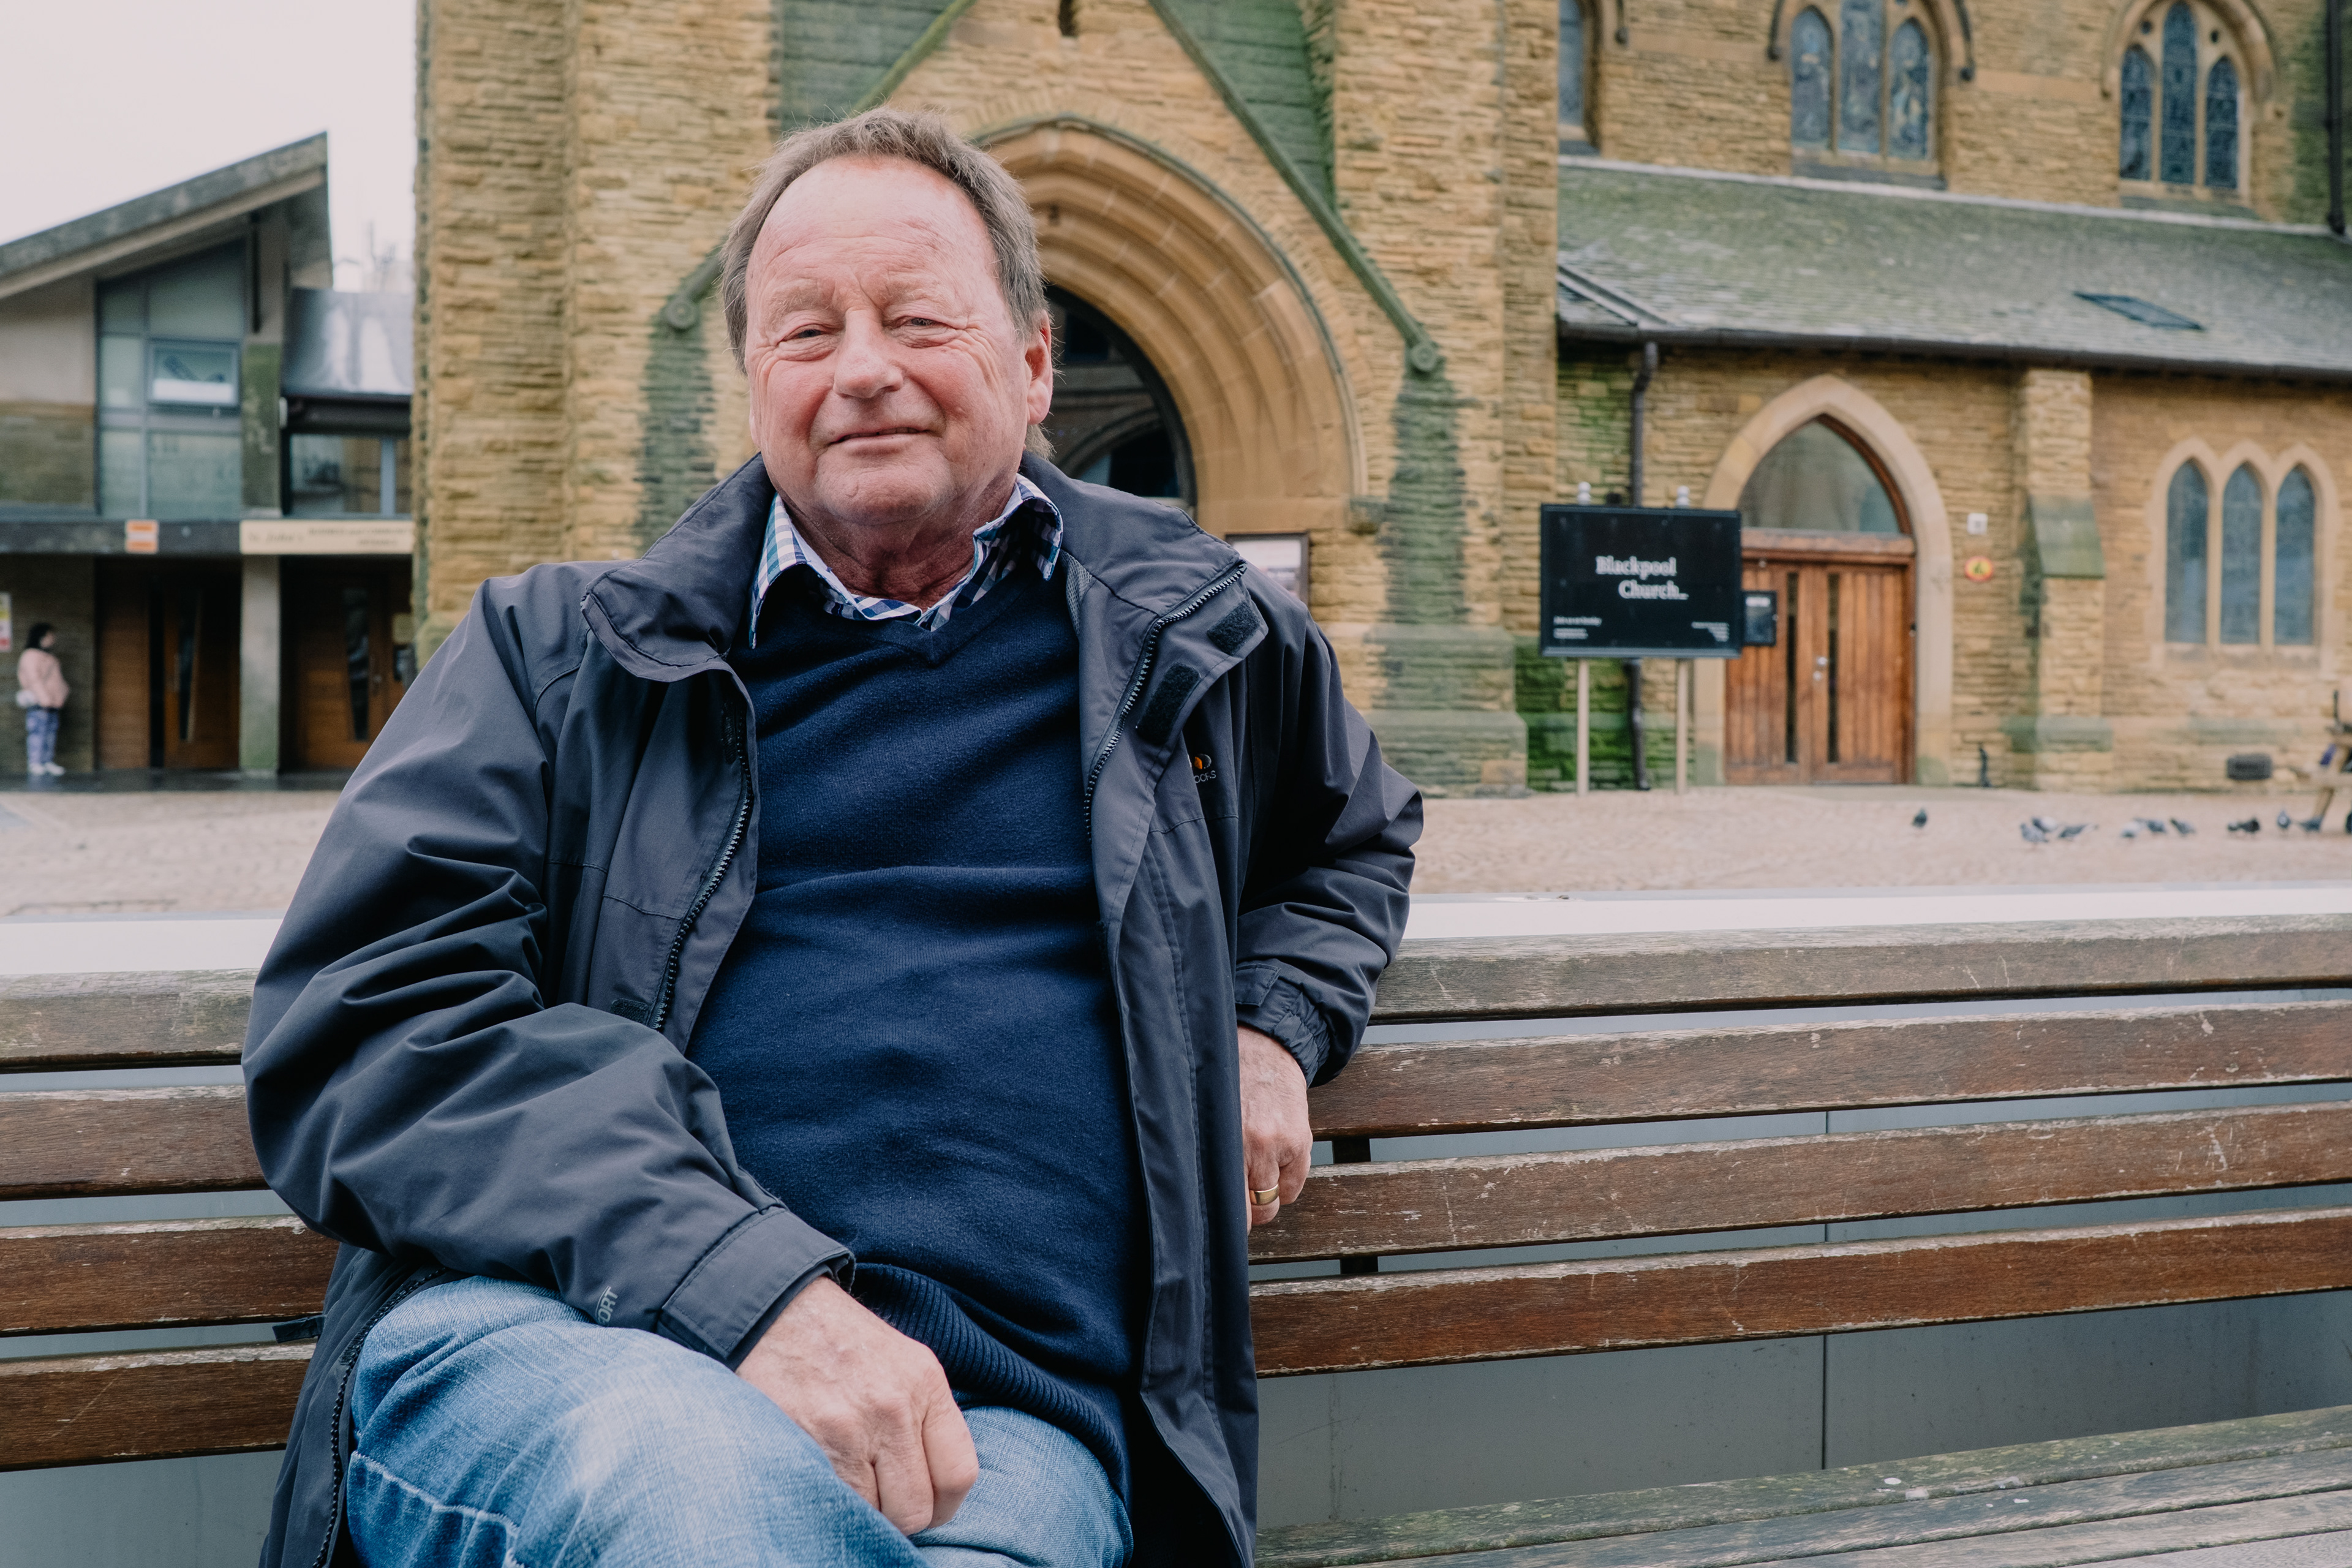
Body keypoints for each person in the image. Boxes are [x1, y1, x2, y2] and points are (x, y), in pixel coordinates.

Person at [243, 108, 1418, 1568]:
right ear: (754, 385)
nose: (861, 366)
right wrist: (749, 1287)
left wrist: (1265, 1019)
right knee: (708, 1506)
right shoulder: (558, 659)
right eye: (805, 331)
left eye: (916, 316)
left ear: (1033, 363)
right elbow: (369, 1030)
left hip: (1006, 1425)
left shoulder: (1208, 635)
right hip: (588, 1349)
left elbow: (1350, 837)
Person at [15, 623, 67, 777]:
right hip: (40, 703)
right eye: (50, 636)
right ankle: (35, 763)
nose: (53, 639)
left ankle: (46, 761)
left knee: (50, 733)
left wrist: (62, 694)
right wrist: (44, 699)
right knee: (38, 732)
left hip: (53, 702)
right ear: (40, 637)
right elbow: (34, 680)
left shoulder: (49, 657)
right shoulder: (30, 656)